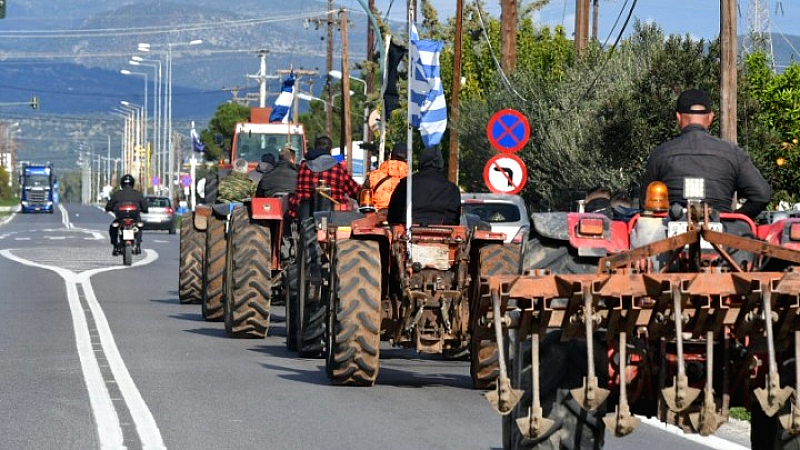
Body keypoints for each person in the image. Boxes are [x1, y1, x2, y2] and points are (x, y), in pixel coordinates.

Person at [640, 89, 771, 220]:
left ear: (678, 118)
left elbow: (644, 204)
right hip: (724, 233)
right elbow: (762, 194)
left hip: (669, 234)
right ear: (710, 117)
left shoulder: (660, 153)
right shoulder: (733, 153)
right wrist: (734, 218)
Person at [288, 135, 361, 219]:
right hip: (334, 217)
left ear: (315, 148)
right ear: (330, 150)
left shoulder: (303, 166)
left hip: (304, 217)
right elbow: (355, 190)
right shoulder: (338, 168)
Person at [387, 146, 461, 226]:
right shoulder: (452, 189)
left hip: (407, 231)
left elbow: (393, 214)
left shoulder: (406, 184)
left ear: (421, 161)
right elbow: (454, 218)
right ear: (441, 163)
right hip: (442, 232)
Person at [105, 174, 148, 255]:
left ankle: (115, 245)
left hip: (121, 218)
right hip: (134, 218)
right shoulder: (138, 194)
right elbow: (145, 207)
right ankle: (138, 244)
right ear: (132, 183)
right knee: (139, 226)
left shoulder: (117, 194)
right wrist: (144, 210)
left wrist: (108, 209)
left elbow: (109, 206)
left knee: (113, 227)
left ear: (122, 183)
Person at [362, 141, 409, 210]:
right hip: (401, 217)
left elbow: (362, 197)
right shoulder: (413, 179)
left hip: (377, 215)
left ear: (390, 156)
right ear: (407, 159)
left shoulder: (373, 175)